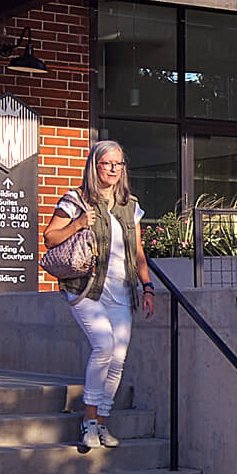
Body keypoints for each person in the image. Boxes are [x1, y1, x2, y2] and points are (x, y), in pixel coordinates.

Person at [43, 139, 155, 453]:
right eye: (107, 163)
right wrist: (78, 223)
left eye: (118, 164)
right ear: (95, 165)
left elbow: (138, 252)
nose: (113, 169)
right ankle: (89, 420)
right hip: (87, 289)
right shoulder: (76, 199)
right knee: (103, 345)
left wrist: (148, 287)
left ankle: (103, 422)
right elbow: (50, 238)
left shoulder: (130, 205)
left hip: (122, 291)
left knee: (118, 358)